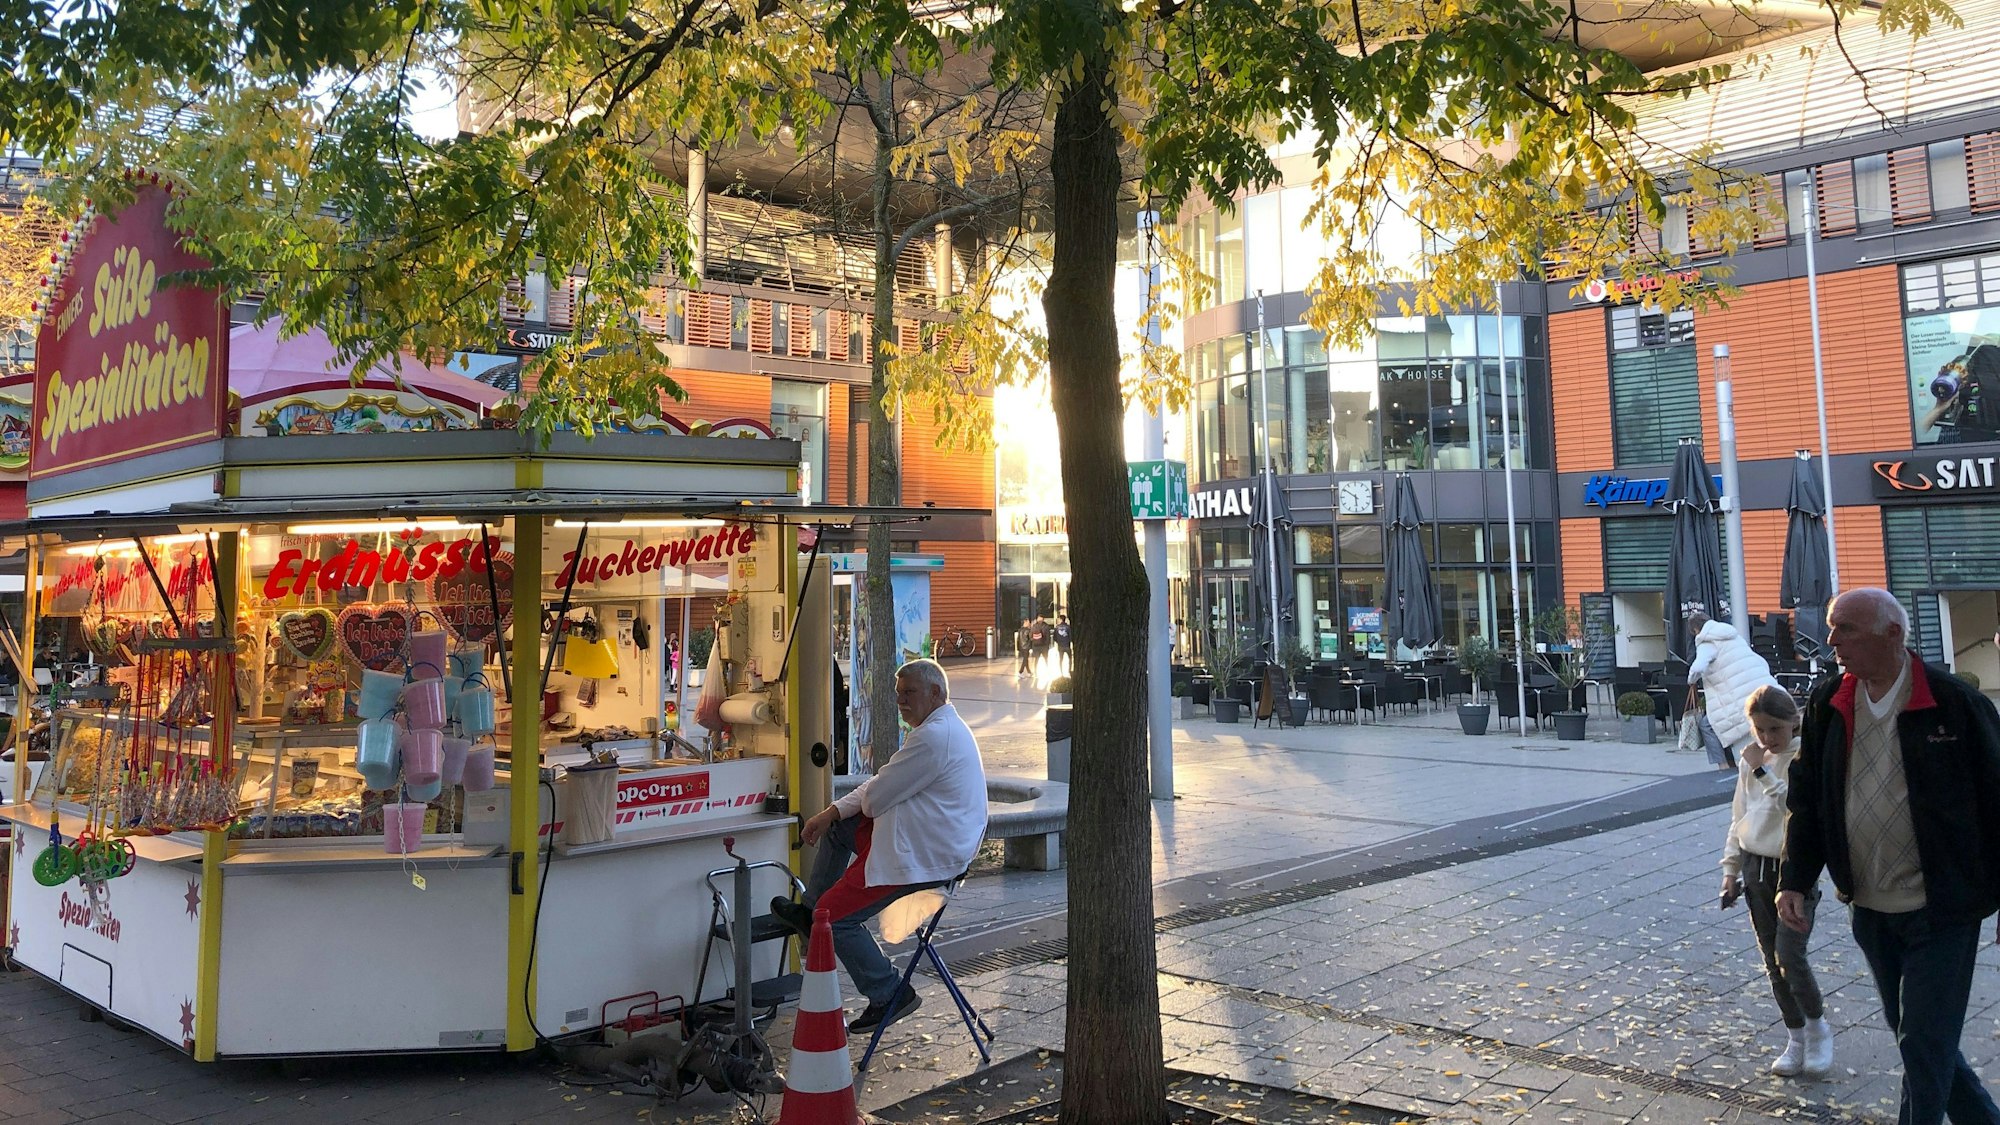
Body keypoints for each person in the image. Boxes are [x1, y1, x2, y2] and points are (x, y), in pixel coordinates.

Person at [1779, 588, 2000, 1125]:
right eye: (1832, 628)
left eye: (1847, 629)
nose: (1832, 641)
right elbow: (1806, 798)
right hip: (1870, 907)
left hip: (1942, 907)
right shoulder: (1829, 703)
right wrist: (1793, 878)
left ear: (1893, 635)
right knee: (1921, 1038)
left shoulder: (1954, 703)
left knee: (1923, 1042)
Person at [772, 658, 987, 1032]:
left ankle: (888, 991)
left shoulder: (934, 737)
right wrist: (832, 812)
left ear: (936, 693)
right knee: (841, 826)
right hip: (924, 839)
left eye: (910, 693)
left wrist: (856, 806)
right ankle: (809, 914)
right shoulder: (937, 727)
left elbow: (874, 798)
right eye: (898, 693)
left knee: (834, 917)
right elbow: (880, 784)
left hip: (924, 855)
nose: (901, 701)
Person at [1720, 685, 1832, 1078]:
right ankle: (1795, 1036)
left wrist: (1763, 769)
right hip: (1755, 867)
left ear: (1793, 722)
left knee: (1790, 954)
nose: (1767, 738)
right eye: (1760, 729)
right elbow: (1739, 816)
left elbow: (1795, 807)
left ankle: (1818, 1028)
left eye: (1774, 729)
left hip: (1793, 869)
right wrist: (1730, 871)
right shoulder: (1751, 761)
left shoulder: (1799, 757)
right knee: (1772, 960)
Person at [1689, 614, 1783, 757]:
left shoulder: (1707, 642)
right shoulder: (1732, 636)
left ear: (1696, 630)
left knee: (1711, 728)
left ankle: (1726, 766)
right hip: (1762, 691)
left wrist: (1691, 680)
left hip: (1738, 701)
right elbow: (1760, 660)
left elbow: (1698, 667)